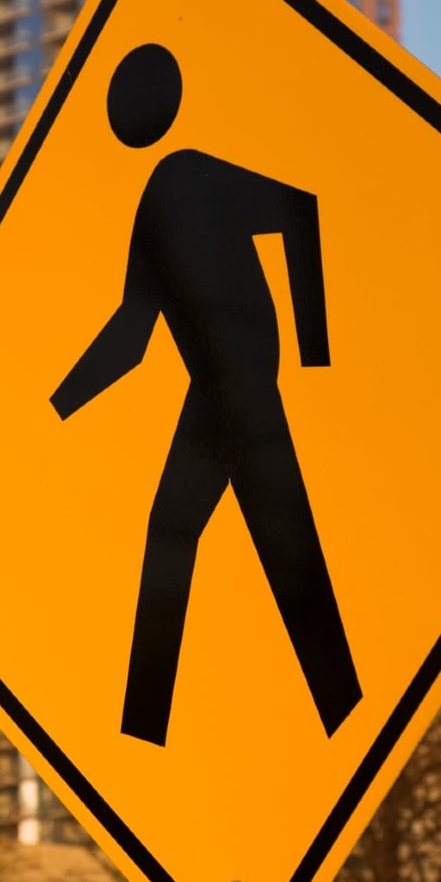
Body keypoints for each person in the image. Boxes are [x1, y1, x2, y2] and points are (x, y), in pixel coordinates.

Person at [51, 42, 361, 747]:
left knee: (283, 555)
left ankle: (340, 715)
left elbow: (299, 212)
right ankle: (144, 733)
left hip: (245, 387)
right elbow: (132, 333)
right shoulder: (154, 201)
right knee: (184, 536)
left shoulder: (188, 174)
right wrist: (56, 406)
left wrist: (314, 356)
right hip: (213, 392)